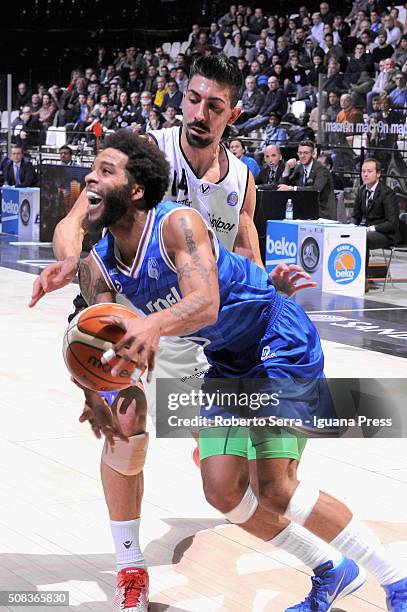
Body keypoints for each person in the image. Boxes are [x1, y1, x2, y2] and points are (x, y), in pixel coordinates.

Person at [30, 55, 376, 611]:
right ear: (181, 99)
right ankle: (130, 568)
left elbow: (243, 254)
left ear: (230, 114)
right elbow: (74, 221)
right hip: (131, 314)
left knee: (228, 485)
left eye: (213, 105)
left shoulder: (240, 178)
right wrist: (72, 264)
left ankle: (332, 564)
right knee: (125, 425)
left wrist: (272, 285)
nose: (199, 112)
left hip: (209, 328)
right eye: (192, 99)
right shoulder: (142, 157)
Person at [82, 130, 407, 612]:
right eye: (94, 166)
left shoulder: (178, 225)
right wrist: (95, 392)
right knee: (223, 492)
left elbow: (206, 303)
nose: (91, 176)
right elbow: (97, 344)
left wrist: (152, 325)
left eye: (105, 170)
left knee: (275, 487)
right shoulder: (100, 264)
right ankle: (332, 569)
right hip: (228, 359)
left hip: (277, 338)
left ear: (134, 191)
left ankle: (396, 581)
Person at [351, 159, 400, 270]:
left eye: (369, 171)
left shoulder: (387, 193)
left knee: (362, 238)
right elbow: (356, 216)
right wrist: (351, 227)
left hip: (387, 233)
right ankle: (351, 273)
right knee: (349, 235)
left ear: (378, 174)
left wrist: (371, 228)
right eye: (363, 171)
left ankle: (363, 277)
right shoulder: (361, 190)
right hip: (369, 230)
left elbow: (392, 223)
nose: (365, 174)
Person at [278, 140, 337, 220]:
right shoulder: (299, 168)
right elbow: (282, 187)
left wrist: (291, 188)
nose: (302, 156)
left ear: (313, 154)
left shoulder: (321, 170)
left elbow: (315, 189)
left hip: (322, 215)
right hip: (304, 213)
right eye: (300, 153)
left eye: (306, 153)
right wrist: (287, 169)